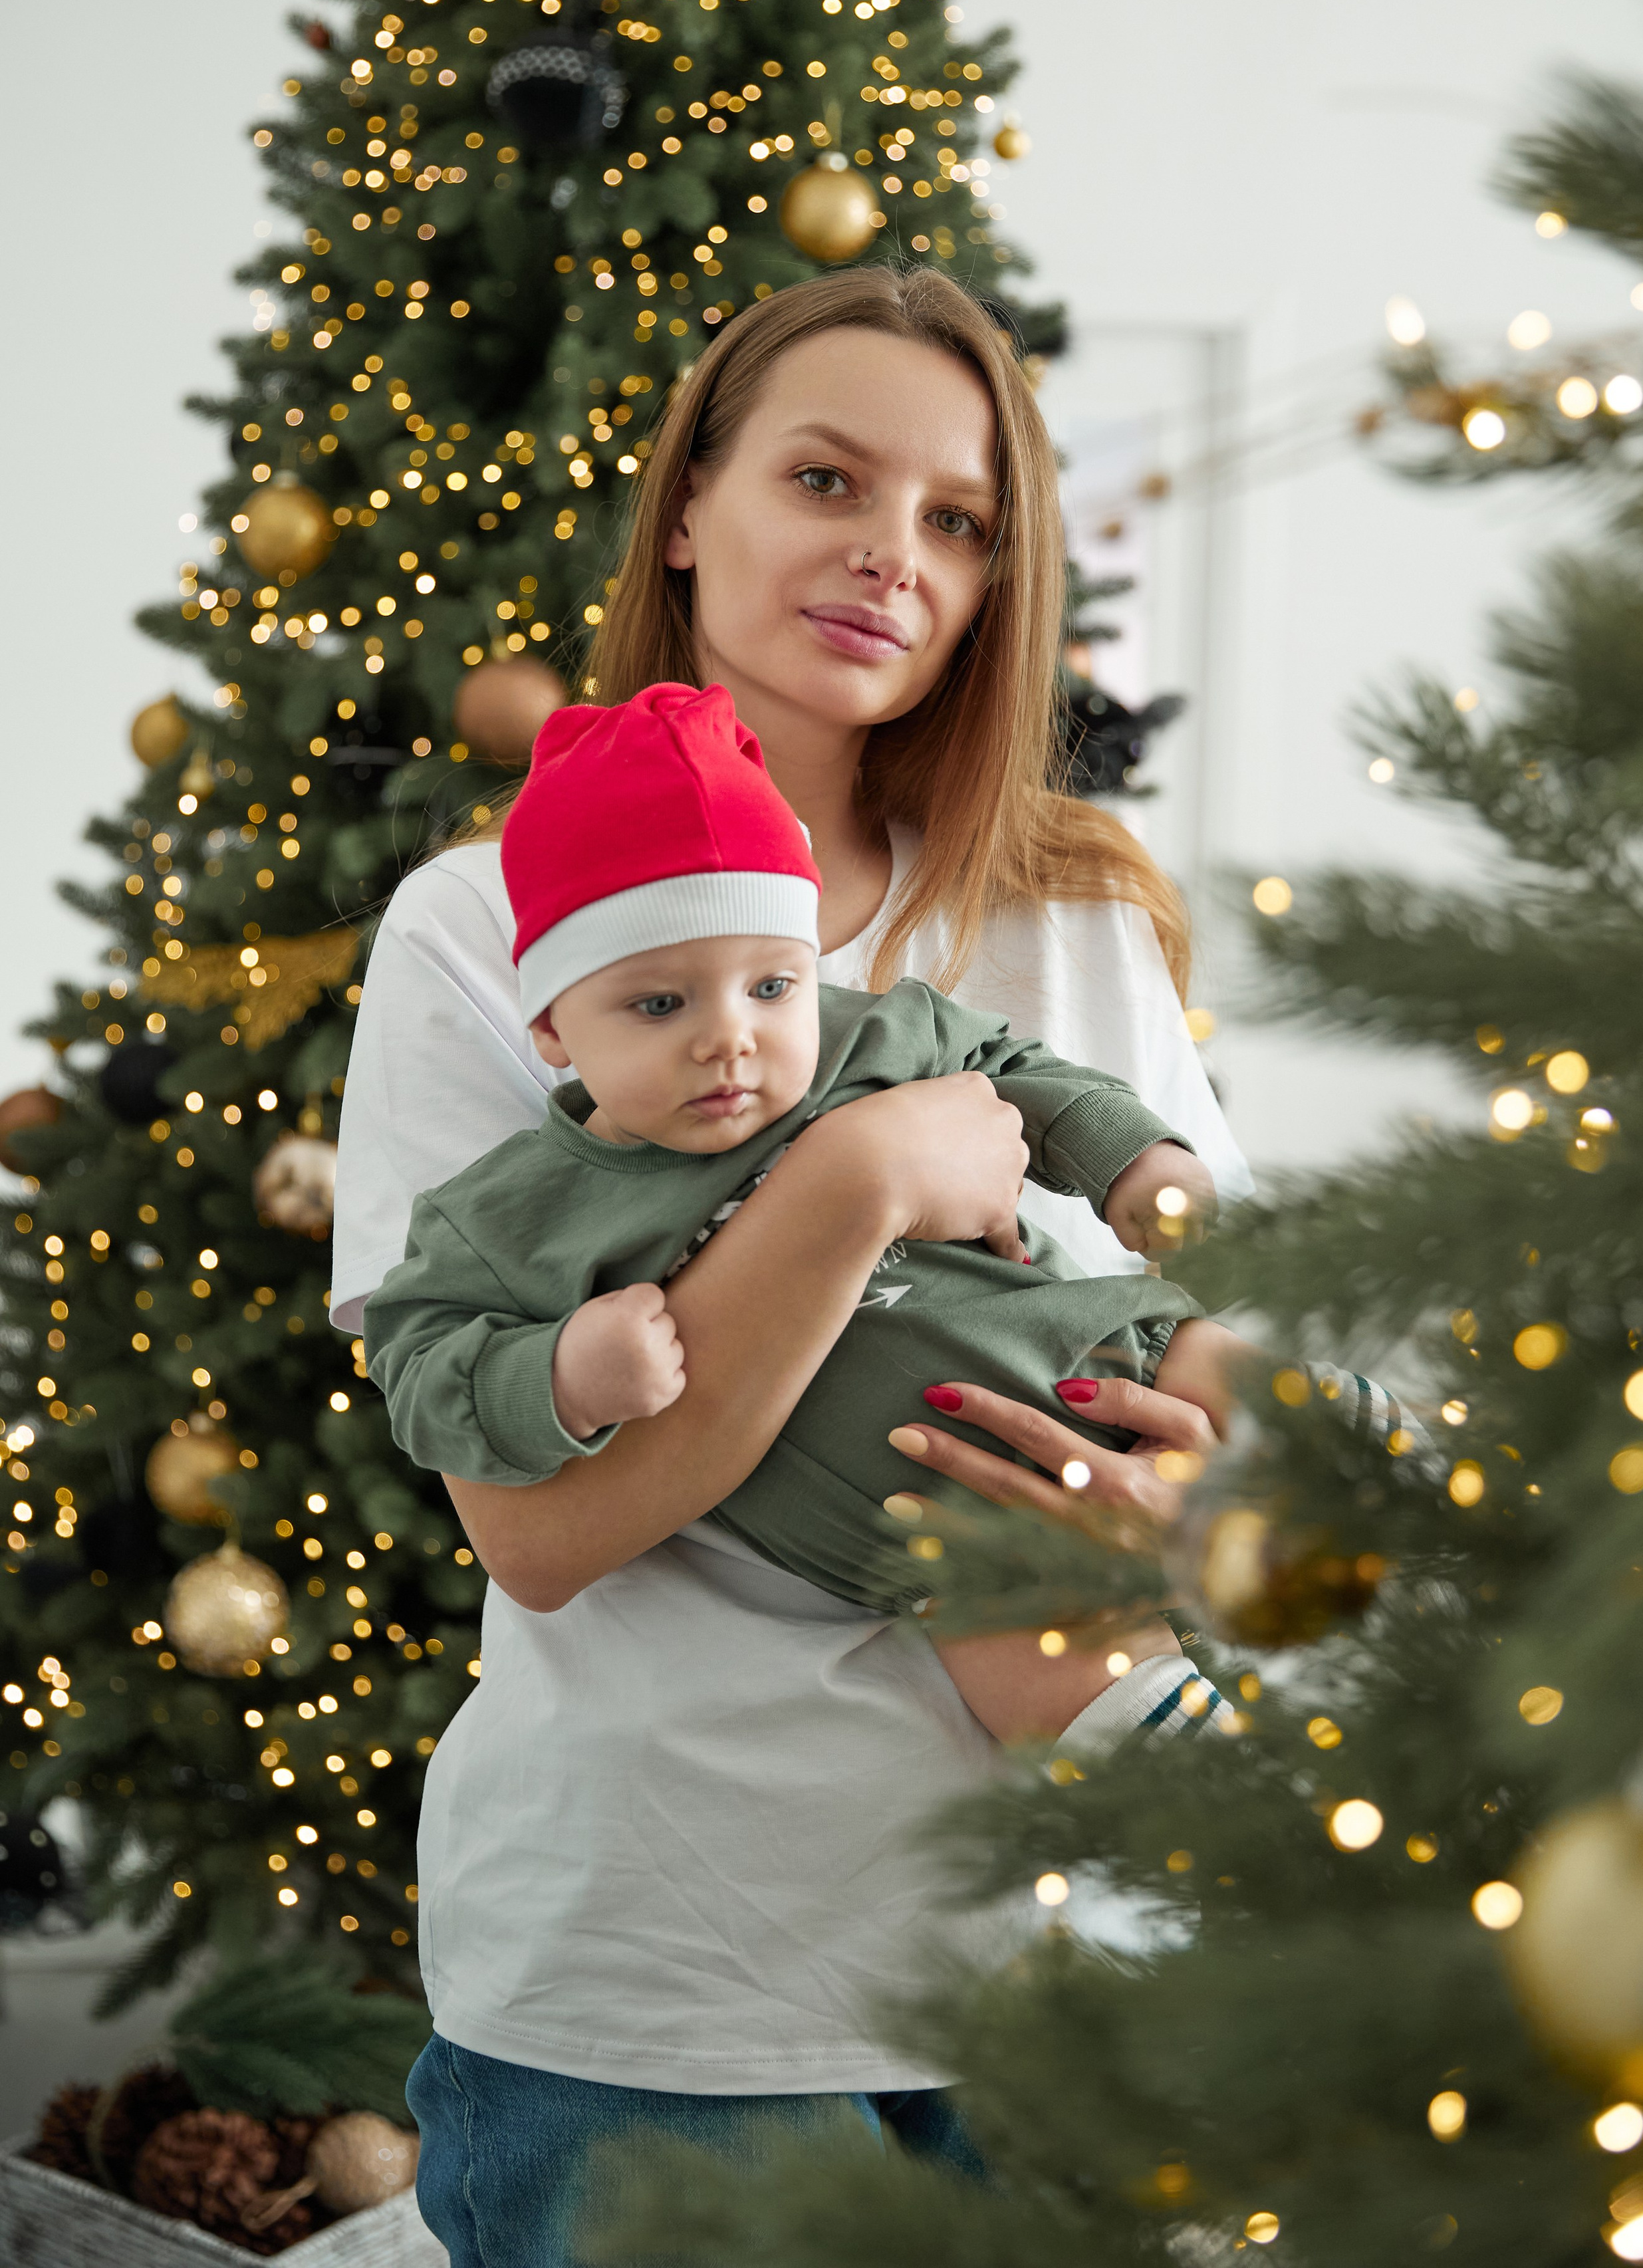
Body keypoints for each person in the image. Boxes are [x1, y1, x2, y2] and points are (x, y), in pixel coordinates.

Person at [330, 267, 1253, 2267]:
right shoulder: (490, 934)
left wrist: (1187, 1507)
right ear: (687, 506)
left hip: (1050, 1981)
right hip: (665, 1993)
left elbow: (1229, 1332)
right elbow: (542, 1530)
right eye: (826, 479)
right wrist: (853, 1179)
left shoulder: (1071, 921)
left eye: (958, 520)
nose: (891, 554)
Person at [364, 679, 1243, 1731]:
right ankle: (1184, 1780)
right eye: (660, 1003)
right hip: (934, 1526)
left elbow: (1020, 1071)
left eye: (772, 987)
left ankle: (1383, 1465)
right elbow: (422, 1365)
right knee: (1037, 1657)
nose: (729, 1038)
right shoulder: (511, 1215)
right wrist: (558, 1378)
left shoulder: (867, 1037)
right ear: (551, 1026)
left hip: (1103, 1362)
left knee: (1235, 1375)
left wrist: (1135, 1160)